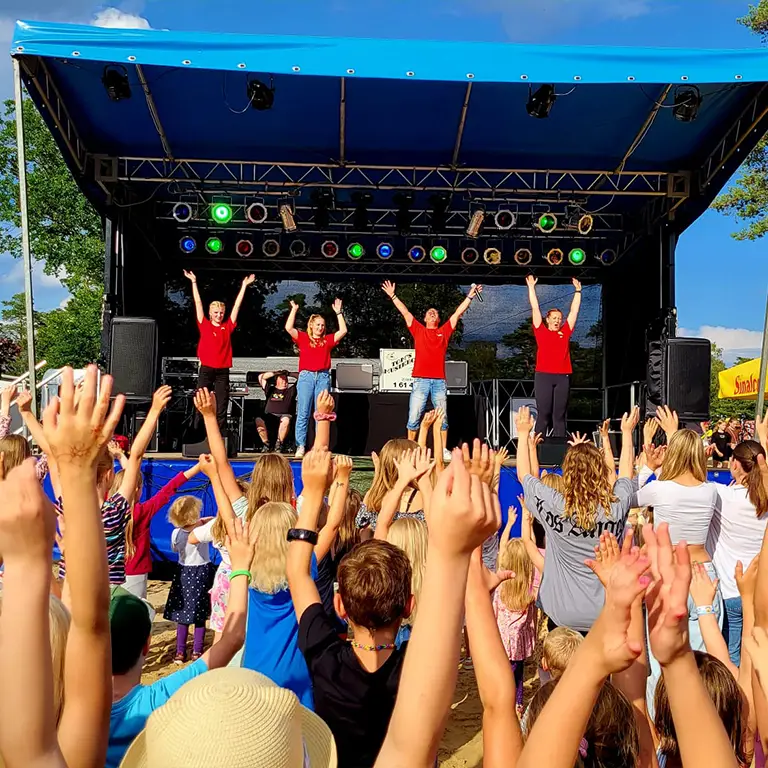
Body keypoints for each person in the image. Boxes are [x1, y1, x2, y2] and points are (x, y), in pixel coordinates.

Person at [287, 447, 414, 768]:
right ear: (409, 606)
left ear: (339, 605)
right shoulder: (417, 668)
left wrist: (314, 493)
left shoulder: (323, 656)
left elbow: (298, 573)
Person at [106, 508, 253, 768]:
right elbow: (232, 640)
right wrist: (240, 569)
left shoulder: (70, 699)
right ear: (147, 645)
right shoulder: (157, 700)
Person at [516, 404, 637, 633]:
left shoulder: (555, 506)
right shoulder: (616, 507)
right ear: (600, 471)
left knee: (564, 669)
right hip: (604, 615)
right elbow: (626, 475)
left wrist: (523, 435)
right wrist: (628, 433)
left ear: (567, 472)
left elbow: (525, 476)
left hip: (562, 617)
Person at [381, 280, 482, 458]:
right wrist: (393, 295)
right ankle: (411, 449)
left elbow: (458, 313)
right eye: (429, 313)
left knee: (443, 418)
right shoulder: (418, 330)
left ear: (438, 319)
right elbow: (405, 312)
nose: (432, 313)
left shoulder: (444, 331)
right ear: (425, 319)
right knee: (414, 417)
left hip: (439, 382)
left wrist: (470, 296)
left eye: (435, 312)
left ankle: (442, 450)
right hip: (420, 380)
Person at [707, 439, 768, 665]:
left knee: (729, 660)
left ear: (734, 464)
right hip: (761, 592)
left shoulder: (723, 496)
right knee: (757, 657)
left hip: (730, 591)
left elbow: (683, 482)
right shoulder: (764, 499)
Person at [183, 270, 255, 432]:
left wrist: (244, 286)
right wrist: (193, 282)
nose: (219, 315)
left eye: (221, 313)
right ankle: (197, 433)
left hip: (222, 370)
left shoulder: (227, 327)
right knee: (201, 400)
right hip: (207, 369)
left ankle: (220, 435)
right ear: (210, 313)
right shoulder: (205, 324)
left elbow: (237, 306)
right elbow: (198, 303)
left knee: (222, 403)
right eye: (216, 313)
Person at [285, 298, 347, 459]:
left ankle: (320, 446)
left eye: (323, 325)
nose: (320, 327)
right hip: (306, 376)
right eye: (318, 324)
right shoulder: (304, 338)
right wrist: (294, 309)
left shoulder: (326, 341)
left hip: (323, 376)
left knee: (321, 413)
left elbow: (343, 331)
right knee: (304, 412)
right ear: (311, 325)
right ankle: (300, 445)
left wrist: (338, 313)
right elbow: (288, 328)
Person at [525, 274, 582, 437]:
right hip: (544, 376)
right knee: (543, 414)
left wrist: (578, 292)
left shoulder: (565, 331)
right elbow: (535, 308)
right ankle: (535, 448)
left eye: (559, 318)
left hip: (562, 377)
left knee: (559, 416)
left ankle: (560, 451)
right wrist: (531, 288)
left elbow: (574, 311)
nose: (557, 321)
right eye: (554, 318)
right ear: (547, 319)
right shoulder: (540, 331)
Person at [163, 496, 215, 664]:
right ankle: (197, 651)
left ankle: (180, 651)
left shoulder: (175, 533)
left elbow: (174, 547)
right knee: (199, 615)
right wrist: (201, 522)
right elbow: (213, 523)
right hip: (200, 572)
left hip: (183, 573)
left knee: (183, 615)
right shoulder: (202, 530)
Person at [493, 537, 537, 717]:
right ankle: (518, 704)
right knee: (518, 674)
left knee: (503, 675)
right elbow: (533, 618)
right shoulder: (529, 592)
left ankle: (505, 703)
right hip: (519, 644)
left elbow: (494, 613)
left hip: (503, 642)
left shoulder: (500, 588)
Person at [255, 369, 296, 453]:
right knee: (258, 420)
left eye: (286, 379)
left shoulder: (291, 390)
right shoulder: (270, 389)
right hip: (270, 416)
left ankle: (279, 444)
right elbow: (261, 377)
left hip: (284, 416)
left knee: (285, 419)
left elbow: (301, 377)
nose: (285, 381)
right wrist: (275, 373)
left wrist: (289, 373)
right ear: (276, 380)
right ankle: (266, 444)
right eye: (282, 378)